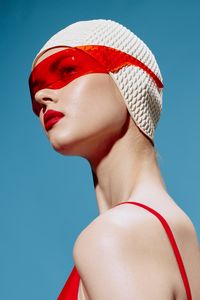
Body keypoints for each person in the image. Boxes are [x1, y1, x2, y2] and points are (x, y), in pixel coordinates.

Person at [28, 19, 200, 300]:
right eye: (34, 89)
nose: (41, 96)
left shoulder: (114, 237)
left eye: (67, 70)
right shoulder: (180, 231)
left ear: (130, 76)